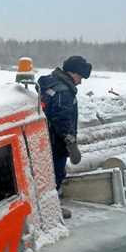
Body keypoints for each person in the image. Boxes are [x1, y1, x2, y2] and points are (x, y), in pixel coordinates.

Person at [38, 56, 91, 218]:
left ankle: (43, 207)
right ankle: (50, 211)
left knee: (42, 175)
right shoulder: (63, 92)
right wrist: (71, 144)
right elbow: (62, 120)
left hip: (42, 140)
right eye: (80, 77)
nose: (80, 82)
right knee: (55, 175)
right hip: (56, 143)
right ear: (72, 72)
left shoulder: (49, 82)